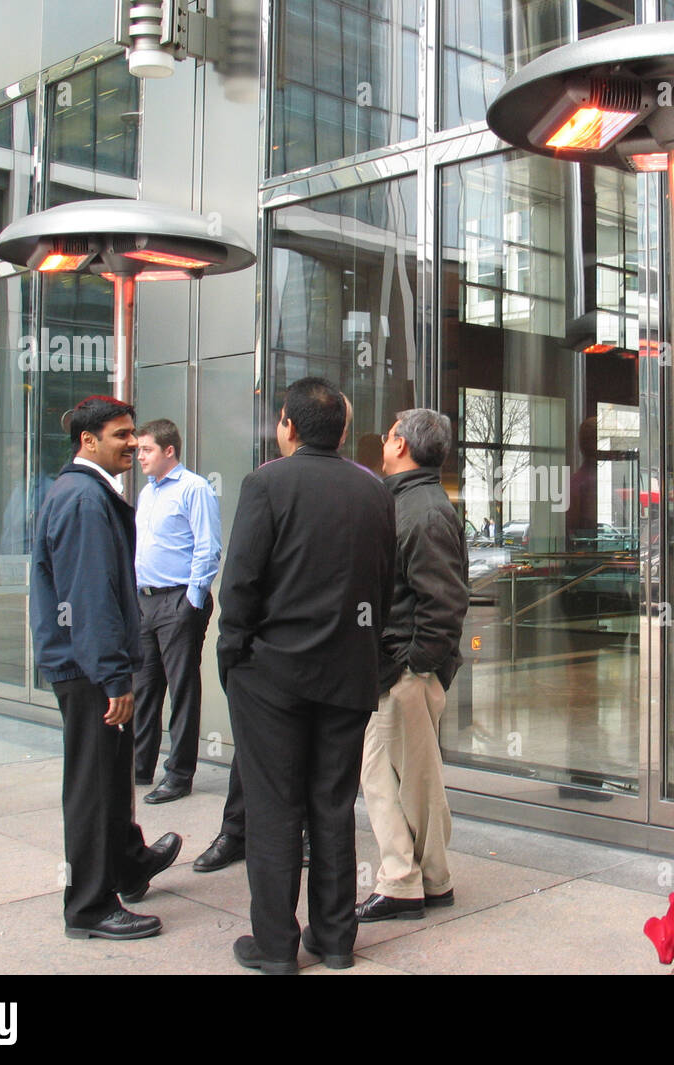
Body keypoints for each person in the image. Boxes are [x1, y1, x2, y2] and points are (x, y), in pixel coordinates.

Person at [220, 377, 395, 973]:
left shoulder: (266, 483)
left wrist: (232, 655)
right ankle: (335, 939)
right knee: (332, 805)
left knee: (274, 810)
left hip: (272, 675)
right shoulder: (374, 491)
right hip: (347, 674)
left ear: (286, 426)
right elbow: (385, 587)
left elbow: (239, 584)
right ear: (343, 431)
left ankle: (274, 947)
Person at [30, 396, 182, 941]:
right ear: (88, 441)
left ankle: (126, 864)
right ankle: (90, 906)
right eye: (121, 435)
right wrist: (114, 678)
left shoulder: (87, 494)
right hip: (89, 672)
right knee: (94, 786)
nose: (131, 444)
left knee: (112, 776)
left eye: (133, 434)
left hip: (90, 665)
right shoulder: (84, 500)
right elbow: (89, 597)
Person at [356, 410, 470, 922]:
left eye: (388, 433)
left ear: (400, 444)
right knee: (386, 776)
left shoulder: (421, 508)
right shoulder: (408, 500)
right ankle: (408, 877)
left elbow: (443, 601)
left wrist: (416, 666)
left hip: (405, 671)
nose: (382, 439)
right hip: (394, 668)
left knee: (413, 782)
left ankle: (421, 879)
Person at [132, 418, 222, 803]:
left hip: (177, 600)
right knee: (144, 688)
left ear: (170, 451)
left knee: (181, 689)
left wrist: (192, 601)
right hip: (145, 600)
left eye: (146, 449)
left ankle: (179, 775)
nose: (140, 457)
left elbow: (208, 547)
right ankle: (139, 767)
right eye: (138, 450)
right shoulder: (147, 493)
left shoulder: (194, 488)